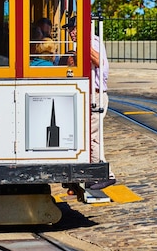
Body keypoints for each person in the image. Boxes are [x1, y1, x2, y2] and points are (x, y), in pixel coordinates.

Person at [61, 16, 115, 189]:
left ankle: (104, 174)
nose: (71, 32)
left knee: (93, 136)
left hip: (97, 95)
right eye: (69, 30)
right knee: (90, 136)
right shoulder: (77, 46)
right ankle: (95, 172)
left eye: (74, 29)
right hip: (89, 95)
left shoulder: (93, 42)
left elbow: (100, 63)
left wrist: (82, 48)